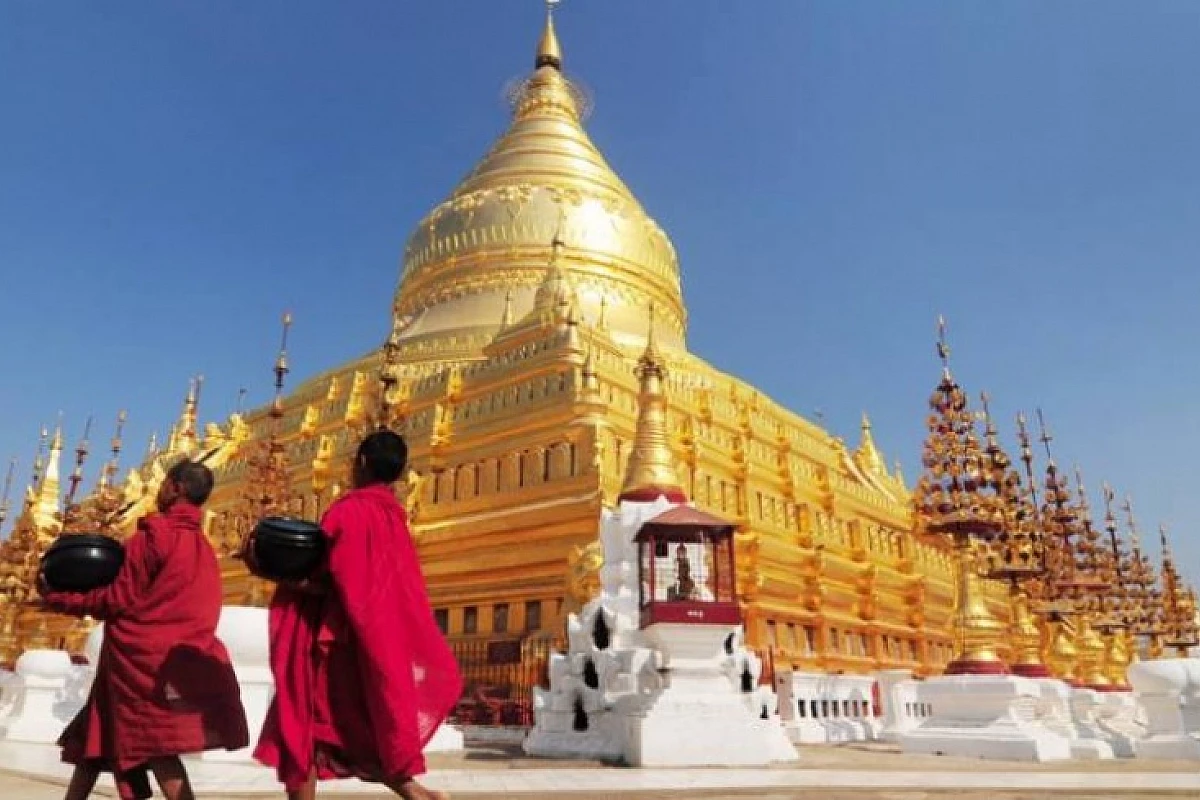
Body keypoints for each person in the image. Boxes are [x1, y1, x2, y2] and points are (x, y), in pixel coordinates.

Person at [252, 430, 462, 800]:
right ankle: (416, 793)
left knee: (306, 733)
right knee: (351, 736)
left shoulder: (349, 512)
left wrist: (268, 568)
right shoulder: (395, 519)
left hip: (333, 650)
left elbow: (329, 581)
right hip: (373, 644)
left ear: (362, 463)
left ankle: (416, 793)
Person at [39, 459, 249, 800]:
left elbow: (117, 600)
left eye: (164, 483)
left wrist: (62, 599)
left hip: (139, 663)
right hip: (166, 661)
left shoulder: (151, 538)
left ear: (176, 488)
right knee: (97, 741)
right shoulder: (205, 550)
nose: (158, 489)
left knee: (156, 747)